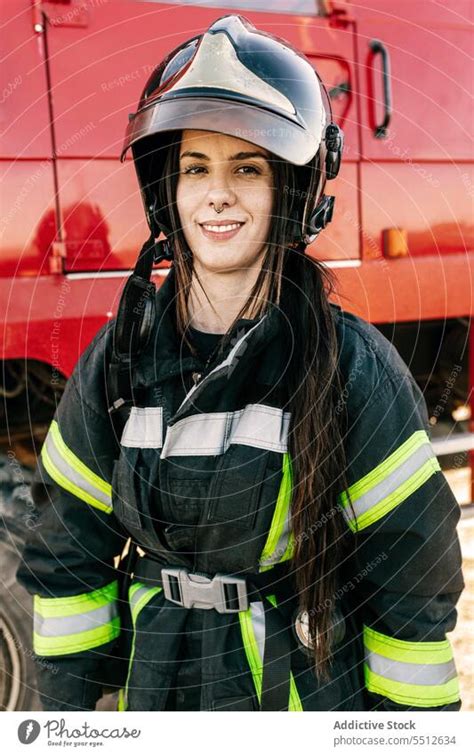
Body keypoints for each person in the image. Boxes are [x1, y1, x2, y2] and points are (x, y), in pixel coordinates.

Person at [17, 14, 463, 712]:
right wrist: (73, 721)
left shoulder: (350, 367)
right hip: (158, 697)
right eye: (195, 167)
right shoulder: (120, 359)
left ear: (291, 192)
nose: (216, 193)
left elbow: (411, 586)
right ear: (167, 190)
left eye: (247, 167)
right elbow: (65, 555)